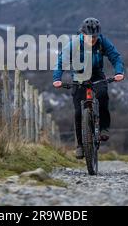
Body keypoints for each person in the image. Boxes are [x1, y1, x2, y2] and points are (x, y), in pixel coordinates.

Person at [53, 17, 124, 159]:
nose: (92, 40)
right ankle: (80, 145)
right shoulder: (74, 44)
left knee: (103, 95)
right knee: (79, 112)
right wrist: (57, 79)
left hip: (97, 73)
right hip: (80, 75)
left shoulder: (103, 41)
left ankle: (103, 127)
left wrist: (118, 72)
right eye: (89, 37)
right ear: (82, 34)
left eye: (95, 37)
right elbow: (61, 62)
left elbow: (115, 57)